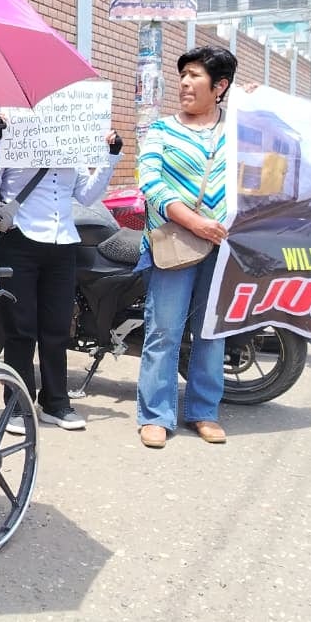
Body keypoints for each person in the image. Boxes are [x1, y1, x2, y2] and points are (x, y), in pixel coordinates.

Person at [0, 113, 122, 431]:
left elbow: (86, 194)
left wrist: (111, 156)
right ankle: (18, 404)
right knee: (20, 327)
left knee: (57, 328)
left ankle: (55, 402)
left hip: (63, 242)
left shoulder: (72, 136)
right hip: (20, 239)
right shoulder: (14, 131)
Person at [135, 46, 237, 450]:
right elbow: (151, 184)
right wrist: (195, 222)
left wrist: (256, 102)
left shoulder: (239, 128)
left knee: (212, 332)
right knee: (164, 330)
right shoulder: (161, 130)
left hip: (225, 249)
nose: (184, 83)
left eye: (194, 75)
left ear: (220, 86)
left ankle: (203, 411)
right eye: (183, 75)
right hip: (174, 243)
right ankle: (155, 414)